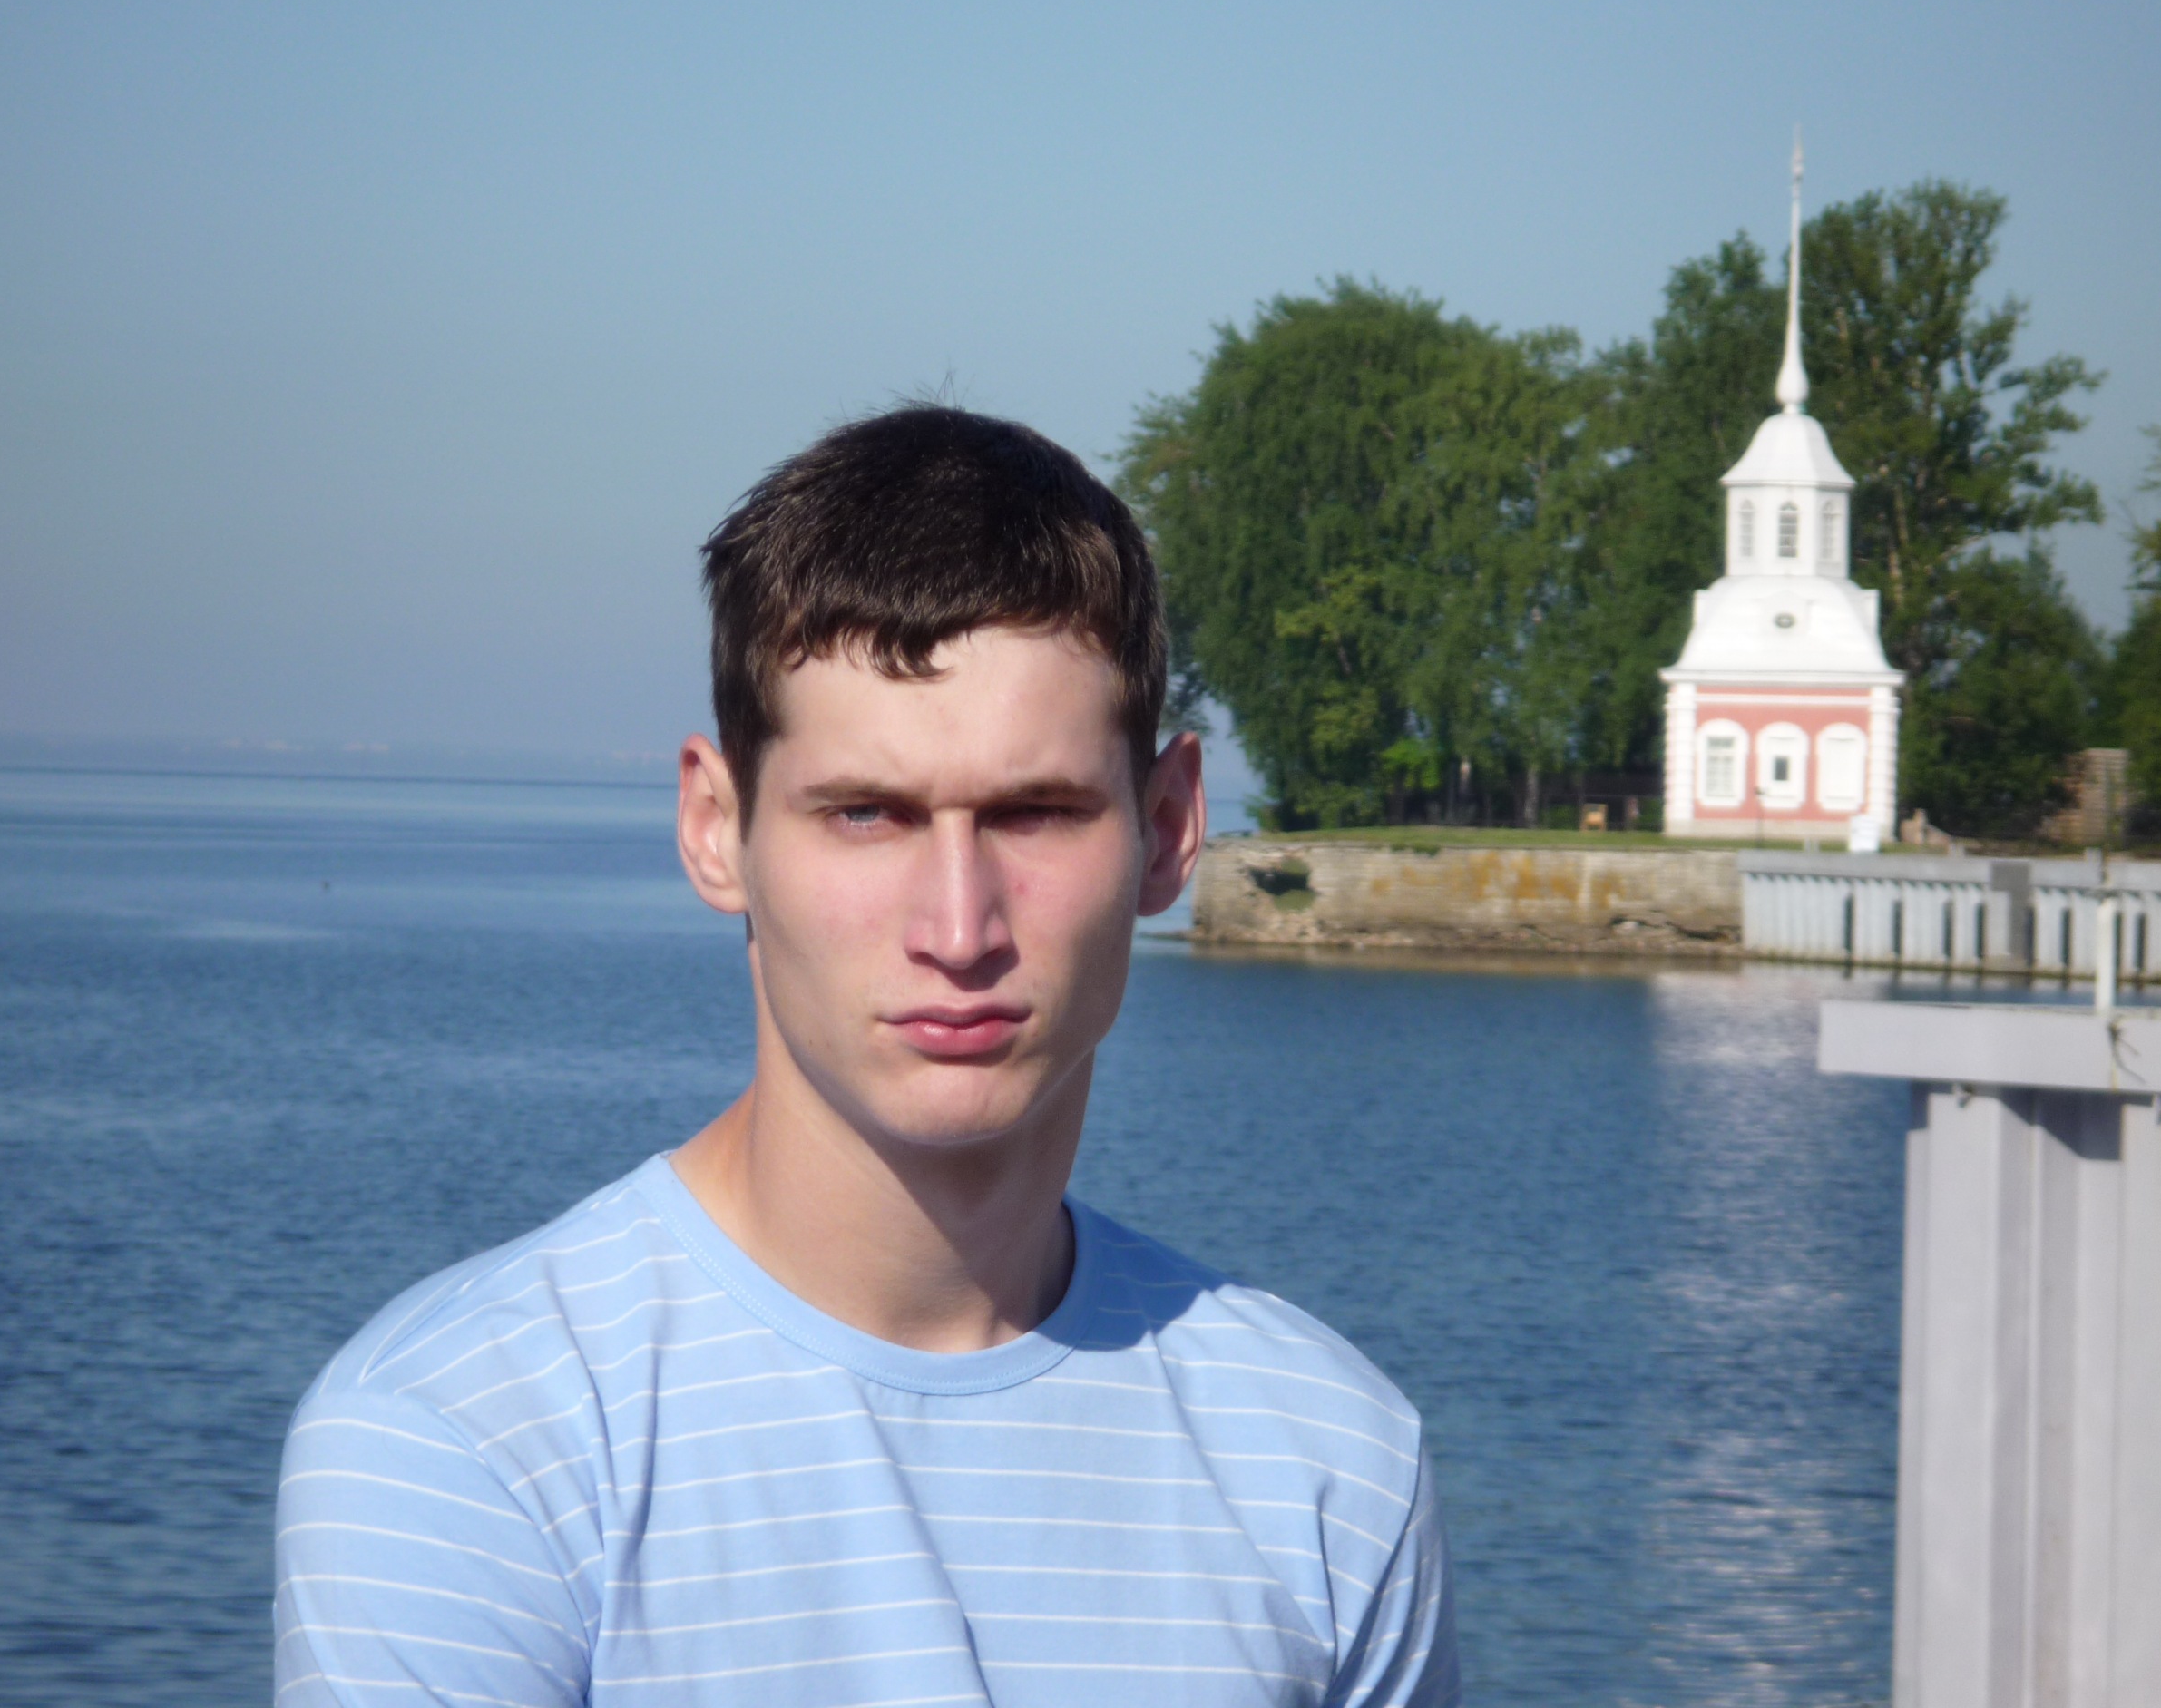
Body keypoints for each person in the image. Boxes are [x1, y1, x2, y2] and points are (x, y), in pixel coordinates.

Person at [274, 406, 1459, 1705]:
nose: (958, 928)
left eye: (1037, 813)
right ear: (716, 829)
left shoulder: (1330, 1463)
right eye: (865, 814)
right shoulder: (469, 1441)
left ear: (1168, 831)